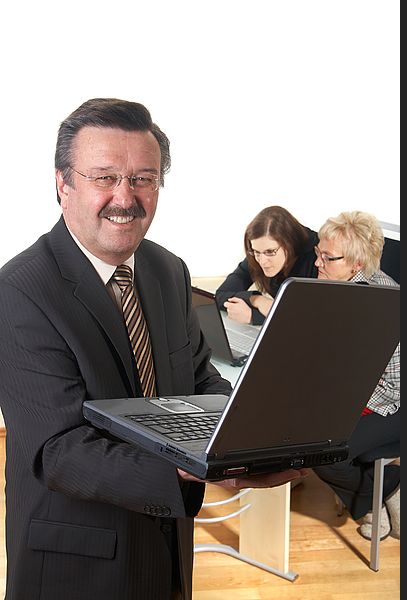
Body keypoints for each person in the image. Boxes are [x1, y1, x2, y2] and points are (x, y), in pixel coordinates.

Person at [0, 98, 307, 600]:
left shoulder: (168, 270)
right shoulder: (19, 290)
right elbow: (56, 452)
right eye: (104, 177)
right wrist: (195, 467)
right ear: (63, 183)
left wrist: (254, 434)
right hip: (78, 563)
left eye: (143, 178)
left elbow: (199, 381)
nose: (126, 196)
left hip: (166, 546)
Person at [311, 211, 400, 540]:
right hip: (356, 392)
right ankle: (376, 496)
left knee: (322, 452)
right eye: (317, 252)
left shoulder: (382, 303)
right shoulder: (334, 285)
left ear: (358, 265)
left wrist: (340, 400)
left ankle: (386, 489)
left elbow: (393, 389)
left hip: (393, 402)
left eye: (328, 257)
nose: (318, 262)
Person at [215, 205, 318, 325]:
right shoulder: (257, 254)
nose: (262, 261)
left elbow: (312, 322)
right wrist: (257, 300)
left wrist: (254, 317)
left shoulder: (318, 260)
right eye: (256, 252)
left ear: (289, 244)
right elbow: (220, 295)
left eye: (270, 252)